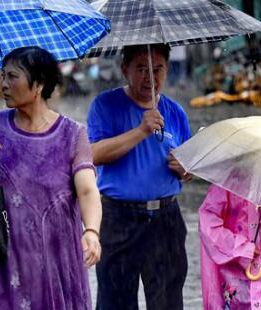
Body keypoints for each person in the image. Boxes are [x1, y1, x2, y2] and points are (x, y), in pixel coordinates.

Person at [0, 46, 102, 310]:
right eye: (2, 76)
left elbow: (88, 190)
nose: (3, 84)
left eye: (12, 77)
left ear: (39, 83)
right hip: (6, 261)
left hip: (58, 258)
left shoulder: (71, 134)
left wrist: (91, 231)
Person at [87, 44, 192, 310]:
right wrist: (141, 130)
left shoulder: (175, 112)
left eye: (158, 69)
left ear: (167, 70)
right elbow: (93, 154)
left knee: (167, 301)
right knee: (115, 301)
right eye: (141, 69)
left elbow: (189, 167)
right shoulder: (105, 105)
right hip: (118, 218)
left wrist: (185, 169)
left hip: (166, 218)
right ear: (125, 70)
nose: (150, 77)